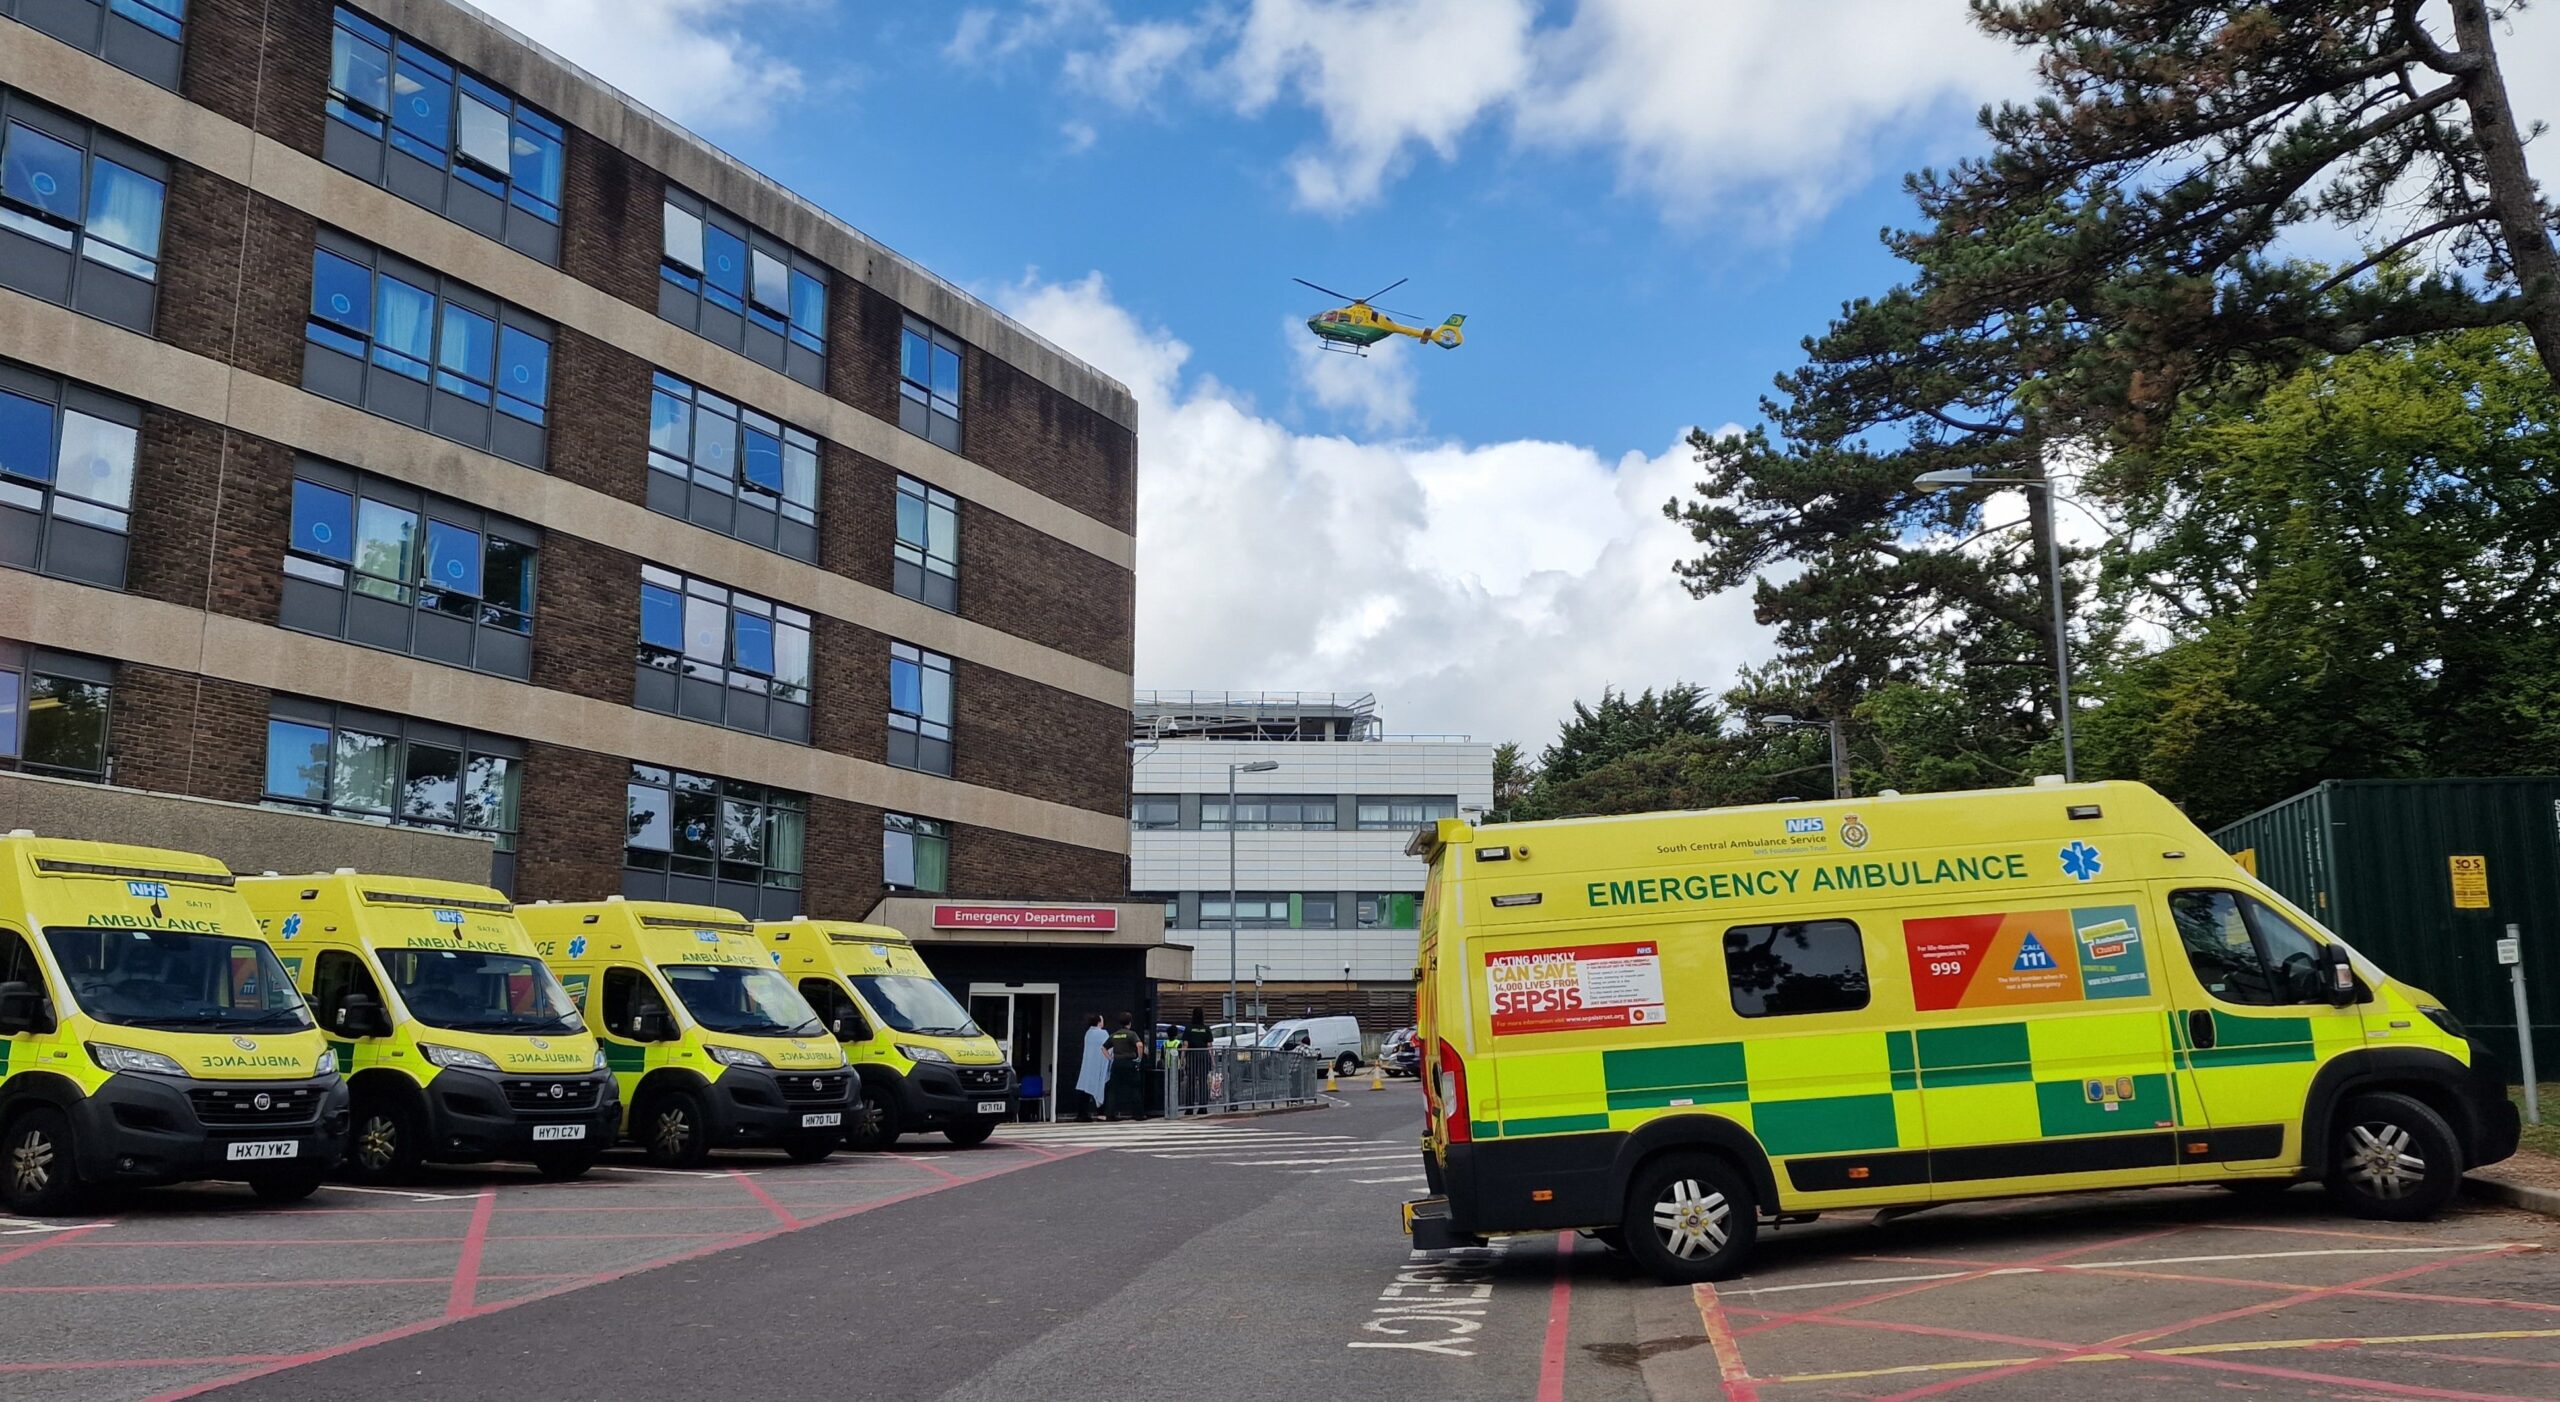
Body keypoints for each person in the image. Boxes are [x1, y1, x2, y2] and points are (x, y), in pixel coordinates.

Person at [1103, 1012, 1143, 1121]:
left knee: (1113, 1090)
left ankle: (1110, 1114)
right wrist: (1139, 1058)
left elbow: (1103, 1047)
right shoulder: (1131, 1034)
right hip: (1129, 1063)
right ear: (1129, 1022)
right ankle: (1138, 1114)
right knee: (1135, 1088)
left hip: (1117, 1063)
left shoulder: (1115, 1034)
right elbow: (1139, 1045)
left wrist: (1109, 1058)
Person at [1074, 1013, 1109, 1123]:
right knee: (1101, 1087)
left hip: (1088, 1064)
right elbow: (1108, 1047)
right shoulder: (1103, 1033)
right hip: (1099, 1064)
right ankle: (1101, 1113)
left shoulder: (1088, 1033)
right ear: (1099, 1022)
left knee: (1085, 1088)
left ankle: (1082, 1113)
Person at [1181, 1006, 1213, 1115]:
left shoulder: (1189, 1029)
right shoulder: (1206, 1029)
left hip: (1191, 1057)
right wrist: (1212, 1060)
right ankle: (1203, 1107)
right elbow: (1209, 1046)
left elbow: (1185, 1045)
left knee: (1190, 1082)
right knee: (1203, 1082)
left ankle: (1189, 1108)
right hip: (1204, 1057)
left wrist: (1182, 1059)